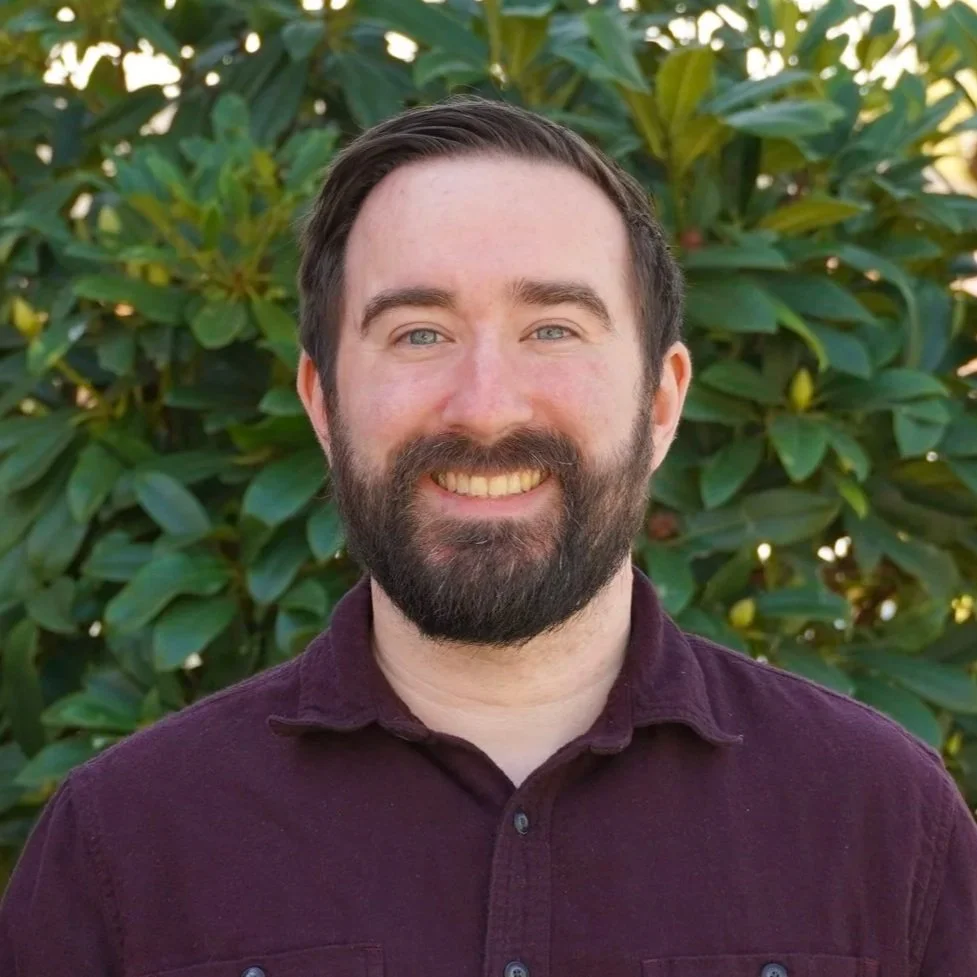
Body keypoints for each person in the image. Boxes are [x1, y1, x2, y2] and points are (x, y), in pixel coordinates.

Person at [2, 96, 975, 977]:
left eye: (551, 327)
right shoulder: (121, 843)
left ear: (661, 398)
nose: (482, 406)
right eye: (418, 332)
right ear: (323, 402)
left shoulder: (882, 819)